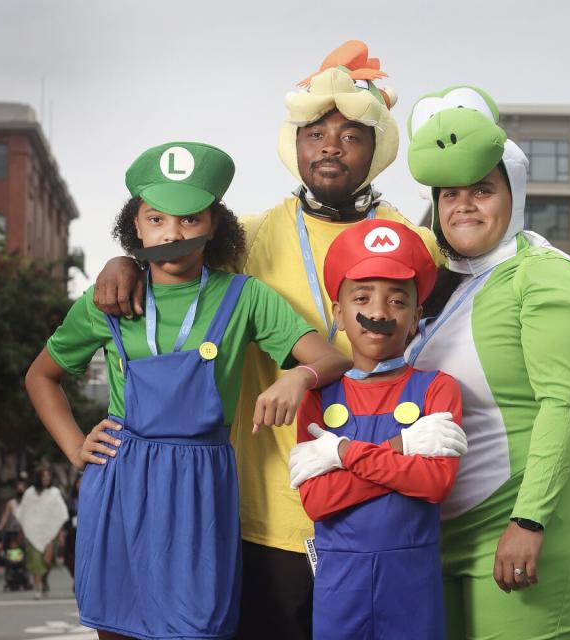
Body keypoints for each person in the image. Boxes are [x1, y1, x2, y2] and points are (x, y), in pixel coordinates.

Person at [92, 42, 439, 640]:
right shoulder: (246, 238)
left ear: (377, 147)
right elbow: (172, 262)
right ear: (294, 144)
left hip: (377, 512)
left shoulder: (417, 245)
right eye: (315, 132)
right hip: (264, 511)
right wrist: (121, 264)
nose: (330, 145)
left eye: (351, 134)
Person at [25, 141, 350, 640]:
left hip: (202, 484)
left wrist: (297, 375)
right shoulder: (108, 298)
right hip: (121, 479)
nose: (172, 233)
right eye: (157, 219)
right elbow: (41, 375)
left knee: (199, 626)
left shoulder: (245, 296)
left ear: (214, 224)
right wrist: (74, 446)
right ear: (136, 223)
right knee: (118, 626)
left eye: (190, 220)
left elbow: (331, 358)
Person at [404, 85, 570, 639]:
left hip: (528, 522)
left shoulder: (546, 273)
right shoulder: (433, 288)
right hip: (441, 535)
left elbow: (564, 404)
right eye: (449, 193)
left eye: (481, 189)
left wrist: (530, 519)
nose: (463, 205)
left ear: (513, 192)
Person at [289, 219, 467, 639]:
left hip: (412, 578)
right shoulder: (319, 395)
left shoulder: (437, 388)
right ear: (339, 313)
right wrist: (401, 446)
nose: (378, 313)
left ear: (415, 316)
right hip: (339, 579)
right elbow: (318, 501)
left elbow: (435, 483)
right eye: (362, 297)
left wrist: (343, 455)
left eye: (397, 301)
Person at [17, 467, 67, 599]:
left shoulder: (54, 493)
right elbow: (23, 513)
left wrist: (60, 533)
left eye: (48, 476)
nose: (46, 478)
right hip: (32, 532)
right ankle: (37, 588)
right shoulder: (29, 493)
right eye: (44, 476)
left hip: (51, 532)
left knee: (47, 561)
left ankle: (44, 579)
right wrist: (24, 530)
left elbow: (61, 514)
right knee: (35, 561)